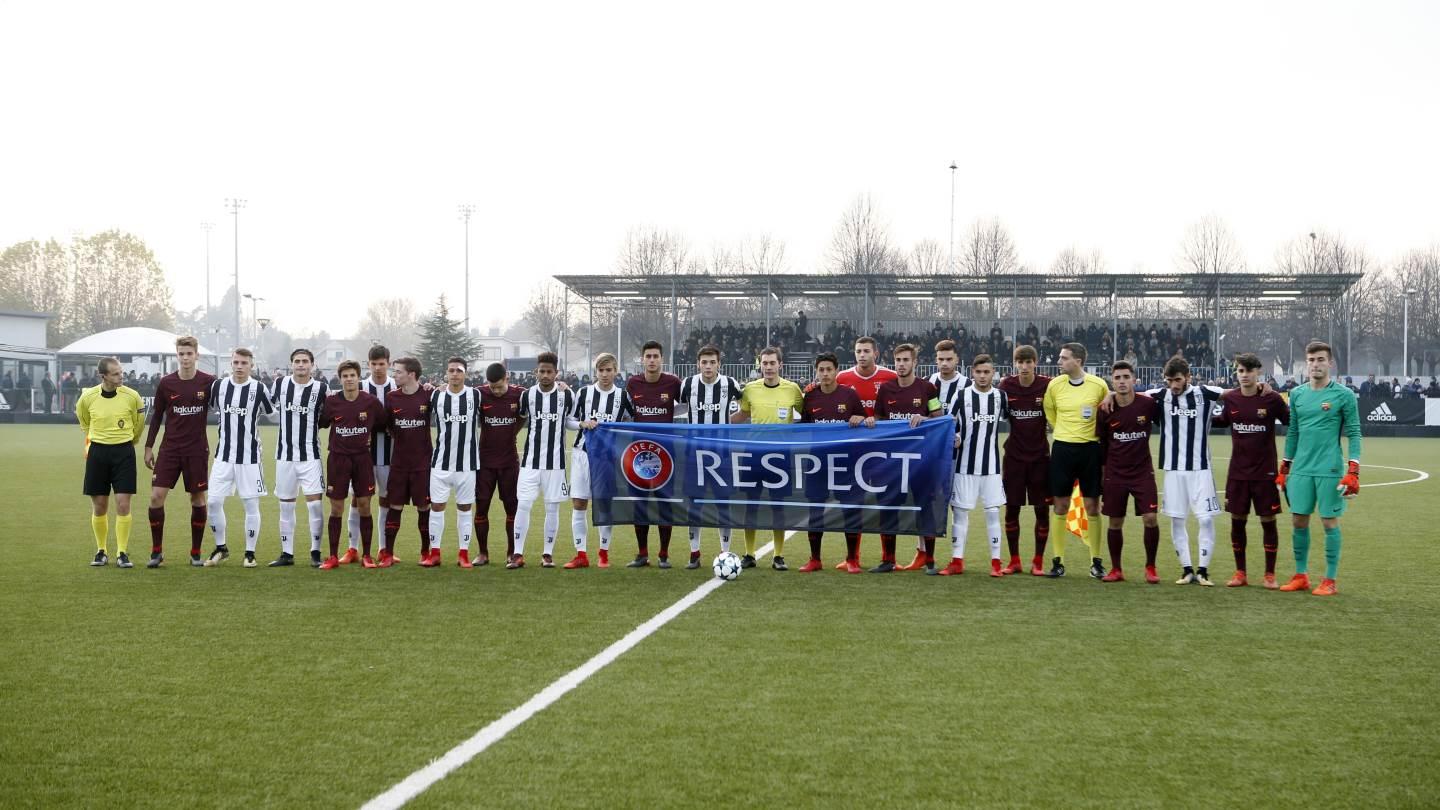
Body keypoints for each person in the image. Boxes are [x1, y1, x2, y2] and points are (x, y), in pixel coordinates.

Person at [1277, 341, 1362, 596]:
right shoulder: (1298, 394)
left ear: (1330, 363)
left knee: (1328, 522)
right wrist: (1285, 465)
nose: (1315, 364)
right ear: (1307, 362)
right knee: (1298, 520)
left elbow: (1355, 432)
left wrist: (1354, 469)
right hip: (1301, 470)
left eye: (1321, 360)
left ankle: (1330, 580)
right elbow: (1293, 432)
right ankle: (1301, 575)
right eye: (1312, 360)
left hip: (1330, 469)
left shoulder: (1344, 395)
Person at [1213, 352, 1290, 588]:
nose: (1244, 375)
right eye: (1240, 371)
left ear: (1258, 372)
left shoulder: (1272, 398)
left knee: (1268, 520)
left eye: (1249, 371)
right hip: (1237, 472)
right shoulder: (1232, 399)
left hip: (1265, 472)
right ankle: (1240, 573)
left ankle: (1269, 574)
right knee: (1238, 520)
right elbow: (1221, 420)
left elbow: (1292, 422)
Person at [143, 336, 215, 568]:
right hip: (170, 449)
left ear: (196, 355)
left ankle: (195, 553)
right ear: (177, 355)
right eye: (181, 354)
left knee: (197, 498)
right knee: (156, 497)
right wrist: (148, 446)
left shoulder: (209, 382)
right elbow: (156, 417)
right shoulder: (166, 383)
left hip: (196, 450)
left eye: (189, 354)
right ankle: (156, 552)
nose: (185, 358)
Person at [731, 346, 804, 570]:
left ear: (780, 365)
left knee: (777, 506)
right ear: (759, 365)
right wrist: (715, 424)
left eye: (773, 363)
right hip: (752, 455)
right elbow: (741, 415)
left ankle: (778, 556)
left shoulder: (792, 389)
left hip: (780, 457)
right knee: (750, 506)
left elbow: (807, 416)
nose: (769, 367)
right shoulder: (750, 389)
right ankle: (749, 554)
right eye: (765, 363)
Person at [871, 343, 942, 573]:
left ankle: (930, 560)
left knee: (924, 507)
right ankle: (888, 560)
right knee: (888, 507)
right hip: (892, 460)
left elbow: (939, 418)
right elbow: (879, 420)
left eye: (905, 360)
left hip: (921, 459)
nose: (901, 364)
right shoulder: (885, 390)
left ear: (915, 363)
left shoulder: (928, 389)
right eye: (898, 360)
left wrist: (925, 419)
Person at [1040, 343, 1109, 579]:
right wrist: (1063, 431)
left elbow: (1105, 411)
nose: (1059, 361)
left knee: (1092, 507)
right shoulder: (1055, 385)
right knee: (1060, 506)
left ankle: (1096, 561)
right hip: (1062, 449)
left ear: (1078, 360)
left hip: (1090, 449)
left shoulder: (1098, 385)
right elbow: (1050, 412)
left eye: (1064, 358)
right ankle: (1057, 561)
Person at [203, 348, 276, 567]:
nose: (239, 366)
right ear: (231, 364)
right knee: (213, 502)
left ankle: (250, 553)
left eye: (244, 363)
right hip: (223, 456)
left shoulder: (259, 388)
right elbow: (213, 408)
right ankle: (221, 548)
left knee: (250, 505)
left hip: (250, 458)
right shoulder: (219, 386)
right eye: (236, 362)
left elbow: (273, 416)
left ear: (251, 366)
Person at [939, 354, 1008, 577]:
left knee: (992, 513)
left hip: (991, 468)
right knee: (959, 513)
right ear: (972, 373)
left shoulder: (1001, 397)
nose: (982, 376)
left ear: (993, 373)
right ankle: (957, 561)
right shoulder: (962, 396)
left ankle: (996, 563)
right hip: (964, 465)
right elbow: (949, 424)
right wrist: (956, 436)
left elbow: (1014, 422)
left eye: (986, 372)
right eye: (978, 372)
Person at [799, 352, 868, 572]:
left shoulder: (849, 395)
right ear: (816, 372)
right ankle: (815, 559)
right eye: (821, 369)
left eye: (829, 369)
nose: (826, 373)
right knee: (815, 510)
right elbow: (803, 428)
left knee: (850, 509)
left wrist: (860, 419)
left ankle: (851, 559)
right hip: (817, 462)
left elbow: (865, 421)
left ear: (837, 370)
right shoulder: (809, 397)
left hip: (844, 462)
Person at [316, 360, 386, 569]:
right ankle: (332, 556)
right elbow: (322, 423)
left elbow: (383, 424)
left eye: (352, 375)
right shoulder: (332, 402)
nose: (348, 379)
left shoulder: (370, 402)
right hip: (338, 459)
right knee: (337, 507)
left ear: (358, 377)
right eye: (345, 376)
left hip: (362, 459)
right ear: (340, 379)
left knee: (364, 505)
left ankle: (366, 555)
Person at [1096, 361, 1161, 583]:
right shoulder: (1105, 409)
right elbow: (1103, 446)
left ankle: (1150, 567)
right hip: (1115, 473)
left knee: (1151, 518)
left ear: (1134, 379)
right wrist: (1103, 479)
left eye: (1126, 377)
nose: (1122, 381)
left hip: (1142, 472)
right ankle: (1116, 569)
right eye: (1117, 378)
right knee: (1115, 522)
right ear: (1112, 382)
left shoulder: (1148, 404)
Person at [77, 357, 145, 568]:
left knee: (123, 504)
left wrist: (129, 440)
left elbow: (139, 423)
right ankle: (101, 551)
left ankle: (122, 553)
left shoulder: (132, 396)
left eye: (121, 372)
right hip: (98, 453)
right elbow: (84, 422)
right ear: (103, 376)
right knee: (100, 506)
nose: (120, 376)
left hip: (124, 452)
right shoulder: (87, 397)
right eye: (115, 374)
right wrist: (96, 440)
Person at [568, 353, 634, 569]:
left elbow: (632, 423)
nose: (605, 374)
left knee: (605, 504)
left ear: (616, 371)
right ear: (595, 372)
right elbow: (569, 421)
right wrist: (582, 424)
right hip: (582, 454)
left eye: (609, 370)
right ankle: (581, 554)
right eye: (601, 370)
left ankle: (603, 553)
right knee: (579, 503)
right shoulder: (584, 393)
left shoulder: (623, 397)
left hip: (608, 458)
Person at [677, 345, 744, 560]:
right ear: (698, 364)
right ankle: (694, 552)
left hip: (721, 453)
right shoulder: (688, 384)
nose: (708, 366)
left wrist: (728, 424)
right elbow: (679, 408)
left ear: (719, 364)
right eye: (704, 362)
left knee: (723, 503)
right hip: (693, 453)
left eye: (712, 362)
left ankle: (725, 553)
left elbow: (746, 407)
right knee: (694, 503)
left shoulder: (730, 384)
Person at [512, 351, 575, 569]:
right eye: (542, 371)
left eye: (549, 371)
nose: (545, 375)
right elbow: (520, 419)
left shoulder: (567, 395)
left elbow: (570, 421)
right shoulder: (527, 395)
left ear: (556, 373)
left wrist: (585, 424)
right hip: (530, 462)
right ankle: (517, 553)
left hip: (555, 464)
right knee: (524, 504)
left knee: (552, 509)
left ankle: (547, 554)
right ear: (536, 372)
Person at [625, 340, 684, 567]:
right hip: (638, 453)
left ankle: (663, 555)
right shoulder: (633, 383)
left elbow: (688, 404)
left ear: (662, 359)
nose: (651, 360)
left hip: (665, 454)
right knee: (639, 503)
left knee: (663, 503)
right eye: (648, 356)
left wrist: (670, 411)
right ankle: (642, 554)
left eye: (655, 356)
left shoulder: (672, 383)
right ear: (642, 359)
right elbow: (626, 410)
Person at [268, 348, 328, 567]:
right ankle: (287, 554)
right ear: (291, 364)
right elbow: (267, 408)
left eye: (305, 361)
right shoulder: (280, 385)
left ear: (312, 365)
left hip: (310, 456)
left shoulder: (322, 388)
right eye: (297, 361)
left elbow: (330, 413)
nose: (301, 365)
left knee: (314, 506)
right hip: (284, 456)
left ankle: (315, 552)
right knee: (286, 506)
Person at [421, 357, 482, 568]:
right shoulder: (436, 395)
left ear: (465, 373)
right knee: (436, 507)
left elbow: (502, 391)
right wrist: (427, 385)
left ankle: (463, 554)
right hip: (440, 463)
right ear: (446, 373)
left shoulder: (476, 394)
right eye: (451, 370)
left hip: (467, 465)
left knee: (465, 508)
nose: (454, 374)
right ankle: (435, 553)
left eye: (458, 370)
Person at [998, 344, 1053, 575]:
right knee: (1012, 510)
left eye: (1028, 362)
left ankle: (1038, 561)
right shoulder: (1006, 386)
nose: (1024, 366)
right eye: (1020, 362)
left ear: (1035, 363)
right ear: (1015, 364)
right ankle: (1014, 560)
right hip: (1014, 458)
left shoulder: (1048, 385)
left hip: (1041, 458)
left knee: (1042, 510)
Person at [346, 345, 396, 560]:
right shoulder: (361, 387)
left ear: (389, 364)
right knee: (358, 499)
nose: (377, 368)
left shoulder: (397, 386)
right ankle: (352, 549)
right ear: (368, 364)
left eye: (381, 364)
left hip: (389, 456)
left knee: (386, 500)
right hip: (362, 456)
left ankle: (384, 549)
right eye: (373, 364)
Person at [381, 357, 432, 566]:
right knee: (395, 506)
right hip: (400, 463)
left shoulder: (429, 394)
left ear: (411, 374)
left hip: (423, 464)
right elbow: (388, 426)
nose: (395, 376)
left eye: (399, 372)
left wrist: (442, 385)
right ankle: (388, 554)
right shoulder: (391, 397)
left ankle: (425, 552)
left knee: (424, 508)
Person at [476, 361, 525, 566]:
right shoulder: (478, 394)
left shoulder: (520, 394)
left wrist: (563, 386)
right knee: (481, 507)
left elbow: (523, 417)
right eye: (492, 387)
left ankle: (511, 553)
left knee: (511, 507)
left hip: (509, 461)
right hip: (485, 461)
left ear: (507, 379)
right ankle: (483, 553)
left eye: (499, 386)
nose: (495, 391)